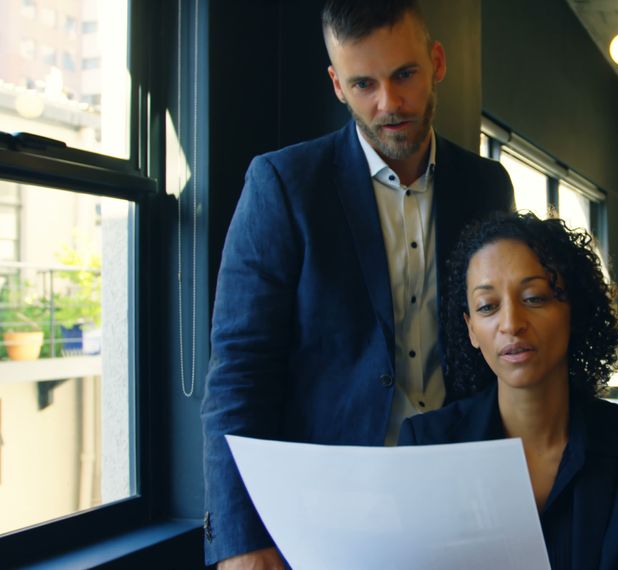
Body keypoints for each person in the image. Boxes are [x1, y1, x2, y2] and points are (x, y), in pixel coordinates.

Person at [200, 0, 514, 566]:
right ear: (336, 85)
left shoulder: (488, 185)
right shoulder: (282, 185)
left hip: (464, 498)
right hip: (328, 514)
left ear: (437, 62)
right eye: (363, 83)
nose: (388, 103)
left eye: (404, 75)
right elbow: (239, 371)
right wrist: (240, 537)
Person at [400, 213, 618, 569]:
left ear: (573, 309)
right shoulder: (428, 447)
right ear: (471, 330)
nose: (511, 324)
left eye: (534, 297)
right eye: (488, 307)